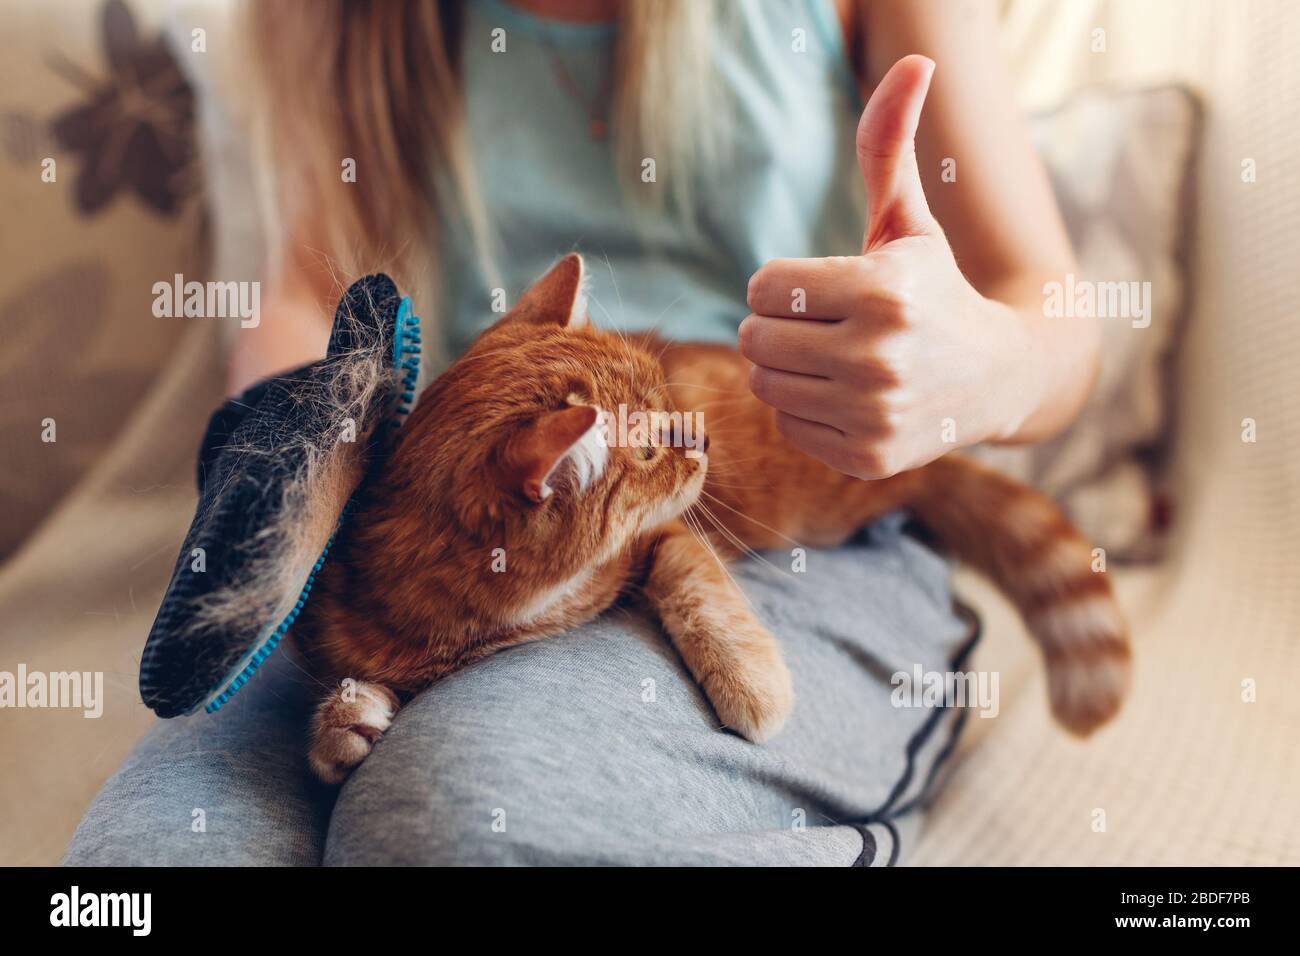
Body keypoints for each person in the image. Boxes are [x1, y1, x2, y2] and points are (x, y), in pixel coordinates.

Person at [65, 0, 1090, 866]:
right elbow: (303, 284)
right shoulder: (348, 20)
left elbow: (1045, 303)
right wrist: (289, 460)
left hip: (789, 521)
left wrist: (983, 367)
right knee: (151, 855)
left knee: (448, 814)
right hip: (489, 495)